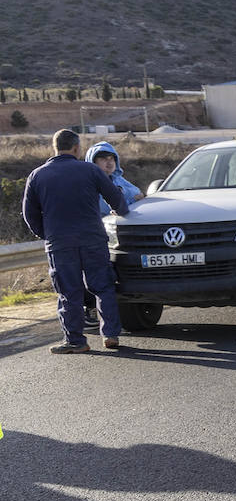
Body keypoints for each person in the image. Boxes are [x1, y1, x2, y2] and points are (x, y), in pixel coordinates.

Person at [22, 129, 128, 353]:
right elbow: (115, 197)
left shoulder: (37, 175)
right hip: (93, 239)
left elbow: (29, 214)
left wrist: (48, 234)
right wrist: (121, 210)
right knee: (103, 287)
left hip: (59, 243)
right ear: (77, 148)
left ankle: (76, 341)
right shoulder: (90, 170)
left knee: (68, 292)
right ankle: (110, 334)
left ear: (55, 147)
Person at [82, 141, 143, 330]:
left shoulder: (119, 180)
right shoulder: (89, 181)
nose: (108, 163)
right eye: (102, 159)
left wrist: (123, 199)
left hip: (121, 237)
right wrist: (123, 200)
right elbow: (103, 205)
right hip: (94, 235)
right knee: (91, 276)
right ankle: (90, 309)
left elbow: (139, 195)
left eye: (111, 158)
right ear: (93, 161)